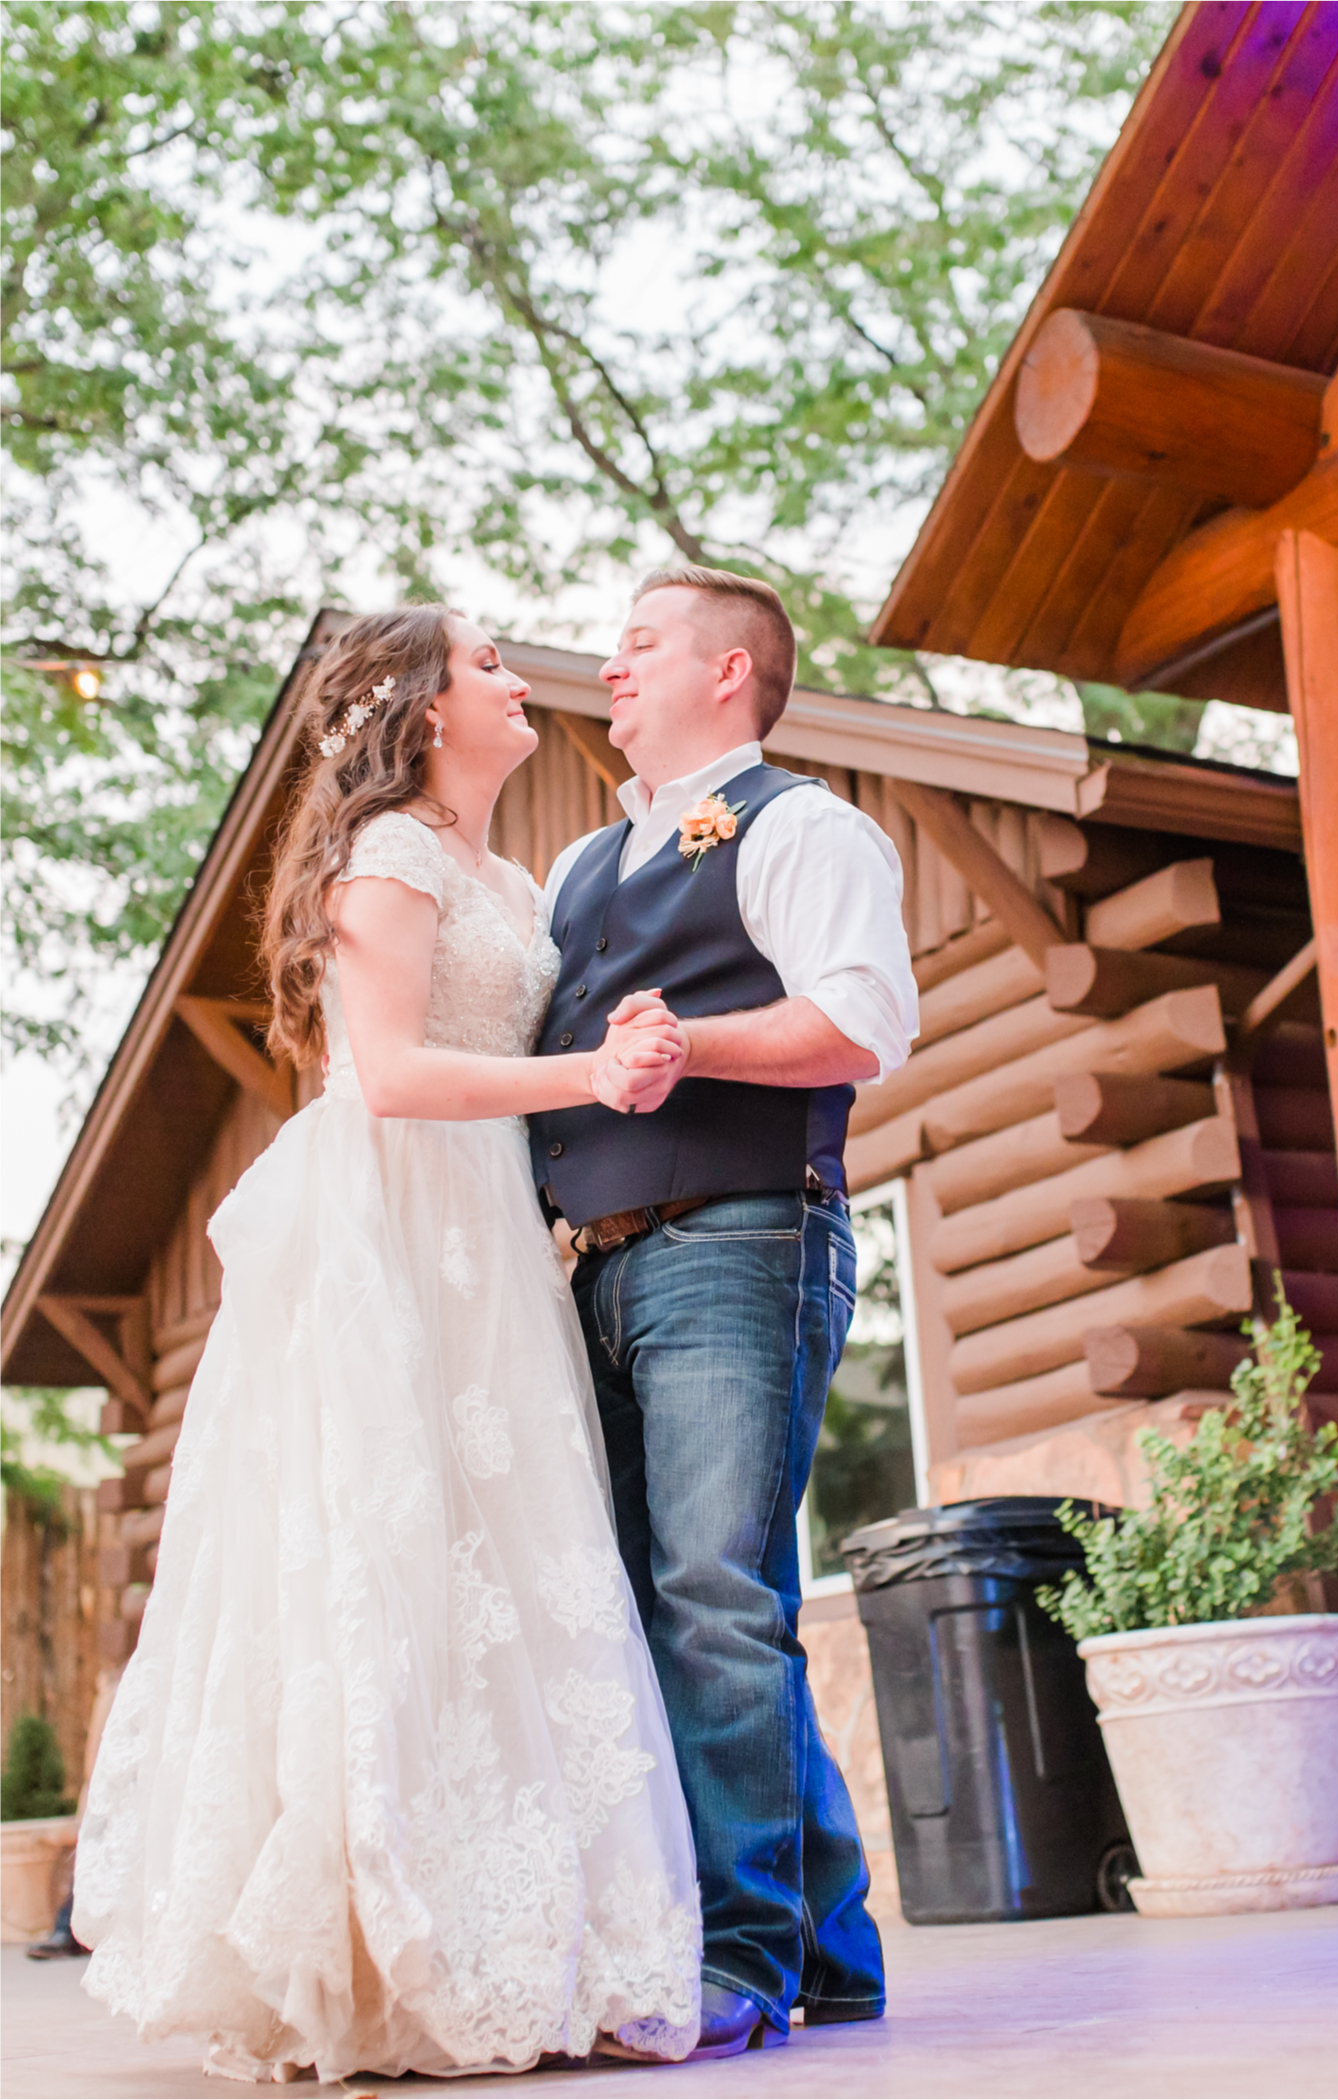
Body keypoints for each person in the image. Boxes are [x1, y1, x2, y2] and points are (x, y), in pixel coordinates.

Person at [72, 607, 703, 2083]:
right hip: (395, 1225)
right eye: (487, 662)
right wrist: (599, 1077)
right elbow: (402, 1072)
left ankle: (528, 1928)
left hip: (491, 1237)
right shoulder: (392, 857)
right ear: (422, 710)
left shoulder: (513, 876)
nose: (517, 677)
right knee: (392, 1549)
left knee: (509, 1559)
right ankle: (373, 1942)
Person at [531, 567, 919, 2057]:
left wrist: (689, 1043)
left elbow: (860, 1019)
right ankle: (835, 1945)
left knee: (708, 1596)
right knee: (685, 1603)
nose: (609, 668)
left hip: (743, 1244)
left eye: (638, 646)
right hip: (601, 1269)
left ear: (732, 671)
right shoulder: (577, 868)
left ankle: (744, 1956)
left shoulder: (805, 828)